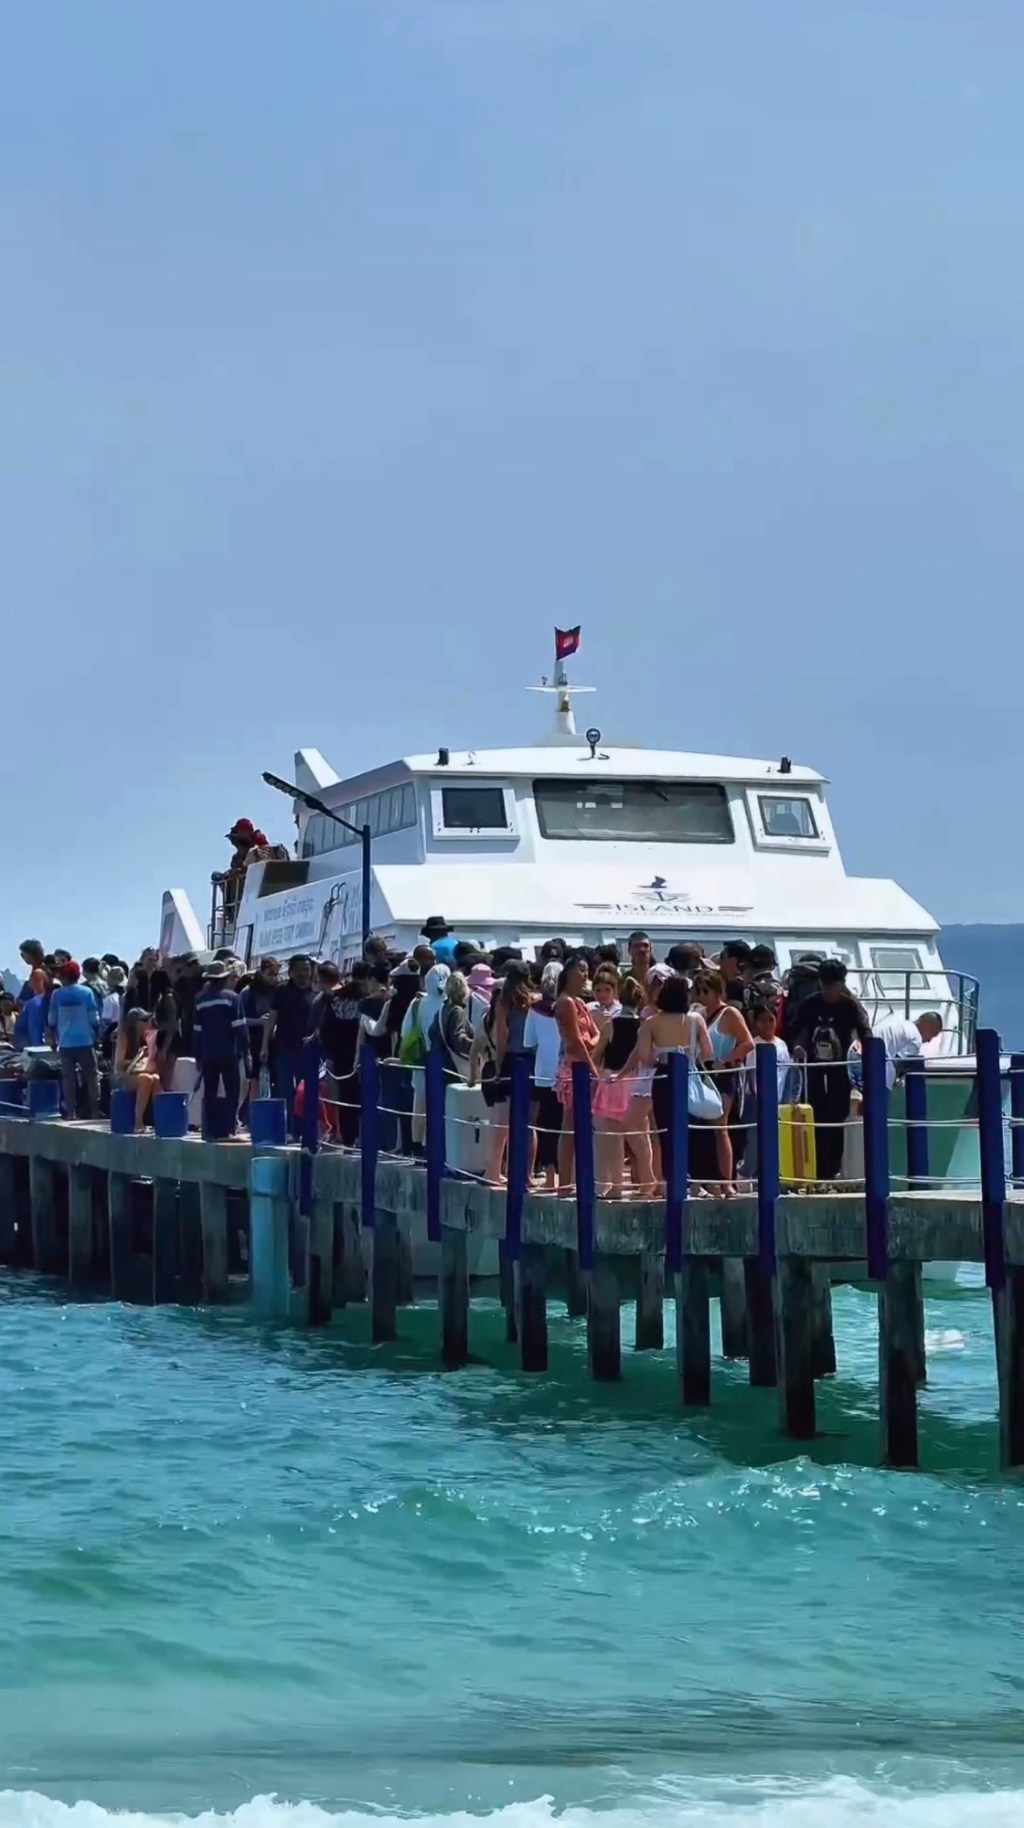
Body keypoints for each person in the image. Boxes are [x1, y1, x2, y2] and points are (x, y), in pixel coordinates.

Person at [621, 976, 714, 1196]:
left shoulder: (652, 1022)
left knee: (664, 1131)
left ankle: (670, 1180)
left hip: (663, 1077)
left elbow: (644, 1056)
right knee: (692, 1129)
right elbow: (709, 1052)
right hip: (690, 1074)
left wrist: (660, 1061)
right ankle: (695, 1181)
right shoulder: (696, 1020)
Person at [788, 959, 872, 1182]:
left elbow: (866, 1034)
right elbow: (792, 1030)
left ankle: (833, 1168)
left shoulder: (850, 1006)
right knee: (814, 1114)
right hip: (814, 1069)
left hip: (839, 1071)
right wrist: (796, 1046)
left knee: (836, 1116)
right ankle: (815, 1169)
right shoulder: (810, 1004)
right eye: (827, 988)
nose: (831, 993)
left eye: (835, 988)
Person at [593, 970, 654, 1198]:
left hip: (612, 1081)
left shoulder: (611, 1024)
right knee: (641, 1135)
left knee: (612, 1138)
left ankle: (616, 1186)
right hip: (637, 1082)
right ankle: (647, 1181)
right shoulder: (645, 1025)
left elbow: (598, 1053)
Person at [692, 968, 754, 1189]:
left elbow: (747, 1042)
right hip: (702, 1074)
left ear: (718, 991)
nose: (702, 996)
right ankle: (704, 1179)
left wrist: (726, 1059)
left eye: (705, 991)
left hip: (724, 1074)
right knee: (700, 1128)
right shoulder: (697, 1015)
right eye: (698, 991)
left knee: (720, 1126)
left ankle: (727, 1181)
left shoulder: (730, 1014)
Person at [553, 956, 603, 1195]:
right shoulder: (565, 1003)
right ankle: (564, 1182)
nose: (585, 975)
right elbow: (575, 1041)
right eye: (581, 970)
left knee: (581, 1126)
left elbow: (596, 1035)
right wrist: (592, 1064)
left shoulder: (580, 1003)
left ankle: (574, 1178)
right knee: (569, 1125)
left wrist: (590, 1044)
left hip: (584, 1064)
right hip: (574, 1069)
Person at [193, 959, 248, 1136]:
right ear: (224, 978)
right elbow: (239, 1027)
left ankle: (209, 1129)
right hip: (228, 1052)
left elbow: (197, 1031)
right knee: (232, 1091)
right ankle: (230, 1128)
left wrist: (198, 1056)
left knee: (210, 1091)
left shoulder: (200, 1001)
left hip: (208, 1053)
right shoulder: (233, 998)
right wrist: (244, 1051)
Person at [264, 954, 315, 1137]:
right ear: (292, 971)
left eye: (307, 969)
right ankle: (287, 1130)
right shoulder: (282, 991)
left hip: (309, 1051)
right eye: (301, 969)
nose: (304, 973)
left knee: (307, 1092)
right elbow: (272, 1019)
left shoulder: (315, 990)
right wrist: (264, 1045)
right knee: (284, 1091)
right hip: (285, 1048)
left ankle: (305, 1130)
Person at [524, 962, 563, 1190]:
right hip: (567, 1075)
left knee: (545, 1127)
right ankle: (568, 1176)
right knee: (566, 1127)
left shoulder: (535, 1009)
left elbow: (528, 1042)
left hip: (542, 1075)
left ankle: (549, 1177)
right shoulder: (571, 1006)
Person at [47, 960, 101, 1118]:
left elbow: (51, 1020)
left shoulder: (57, 995)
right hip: (85, 1041)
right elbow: (94, 1019)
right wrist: (96, 1036)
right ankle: (95, 1111)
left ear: (63, 977)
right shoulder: (87, 992)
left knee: (68, 1079)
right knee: (91, 1077)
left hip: (66, 1043)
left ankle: (71, 1112)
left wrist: (53, 1040)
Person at [319, 966, 366, 1145]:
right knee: (365, 1098)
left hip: (340, 1056)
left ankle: (347, 1138)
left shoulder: (334, 999)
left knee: (346, 1099)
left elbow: (325, 1029)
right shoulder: (366, 1000)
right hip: (361, 1056)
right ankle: (361, 1138)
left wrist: (329, 1053)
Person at [239, 957, 280, 1106]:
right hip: (254, 1039)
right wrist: (260, 1021)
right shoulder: (248, 993)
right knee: (254, 1078)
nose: (273, 978)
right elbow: (240, 1021)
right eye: (270, 974)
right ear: (262, 972)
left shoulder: (278, 990)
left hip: (275, 1039)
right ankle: (254, 1113)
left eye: (276, 974)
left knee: (277, 1078)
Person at [113, 1007, 162, 1132]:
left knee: (155, 1079)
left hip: (140, 1073)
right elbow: (119, 1065)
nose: (148, 1023)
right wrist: (138, 1058)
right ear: (136, 1023)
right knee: (145, 1079)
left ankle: (157, 1121)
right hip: (124, 1076)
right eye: (144, 1020)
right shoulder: (124, 1038)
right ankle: (138, 1123)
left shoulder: (146, 1038)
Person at [429, 970, 474, 1084]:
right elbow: (459, 1039)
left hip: (441, 1065)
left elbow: (431, 1033)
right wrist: (477, 1046)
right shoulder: (457, 1012)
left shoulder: (441, 1011)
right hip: (455, 1067)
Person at [149, 968, 180, 1090]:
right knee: (161, 1075)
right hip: (162, 1037)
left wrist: (165, 1048)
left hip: (169, 1039)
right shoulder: (162, 997)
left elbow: (172, 1024)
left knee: (166, 1076)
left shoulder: (168, 998)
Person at [718, 940, 752, 1007]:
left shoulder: (736, 986)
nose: (719, 961)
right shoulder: (747, 981)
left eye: (722, 956)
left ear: (732, 960)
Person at [18, 940, 47, 1005]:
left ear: (31, 954)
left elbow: (39, 997)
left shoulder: (39, 973)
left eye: (23, 954)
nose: (22, 957)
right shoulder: (38, 970)